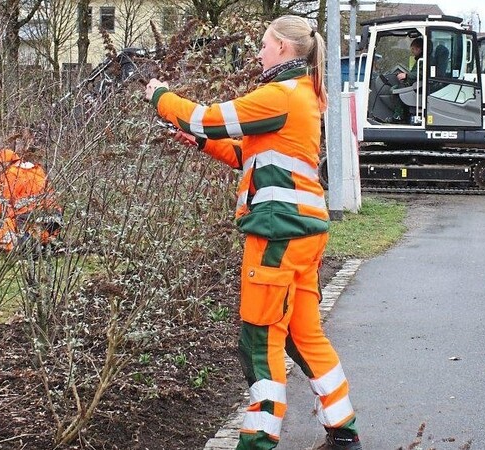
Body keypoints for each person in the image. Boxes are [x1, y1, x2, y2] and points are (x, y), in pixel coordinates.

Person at [144, 15, 362, 450]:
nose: (258, 52)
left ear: (282, 46)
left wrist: (160, 96)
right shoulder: (300, 96)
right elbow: (252, 154)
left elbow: (205, 117)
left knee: (260, 340)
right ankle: (343, 432)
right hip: (303, 232)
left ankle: (258, 441)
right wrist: (204, 142)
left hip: (277, 235)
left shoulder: (278, 95)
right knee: (303, 335)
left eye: (263, 44)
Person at [0, 148, 62, 252]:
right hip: (53, 222)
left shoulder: (12, 174)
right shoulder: (37, 171)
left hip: (27, 220)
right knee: (34, 232)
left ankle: (27, 245)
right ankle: (43, 244)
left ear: (7, 162)